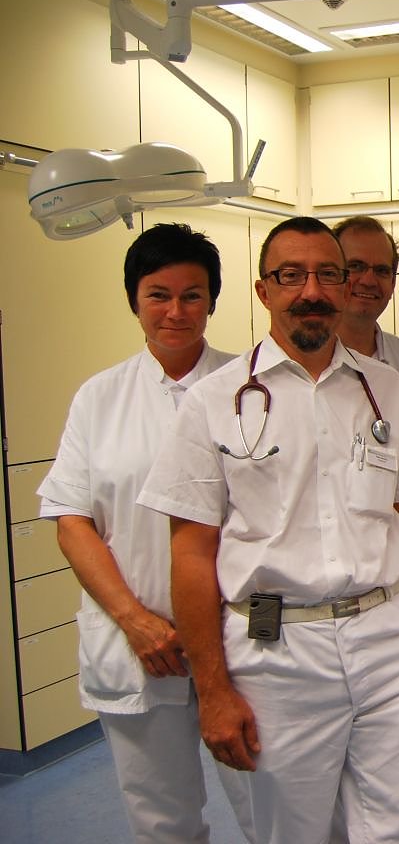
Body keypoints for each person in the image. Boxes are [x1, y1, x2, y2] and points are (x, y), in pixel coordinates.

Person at [136, 216, 399, 843]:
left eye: (328, 274)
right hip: (276, 652)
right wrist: (213, 689)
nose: (312, 290)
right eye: (291, 276)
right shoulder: (216, 400)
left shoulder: (383, 388)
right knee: (294, 832)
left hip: (387, 639)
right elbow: (191, 551)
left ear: (345, 286)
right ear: (263, 290)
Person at [36, 223, 239, 843]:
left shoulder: (248, 387)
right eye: (158, 295)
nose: (176, 311)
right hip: (141, 643)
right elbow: (72, 518)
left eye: (192, 295)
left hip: (240, 636)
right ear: (134, 300)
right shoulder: (99, 397)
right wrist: (134, 619)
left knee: (275, 810)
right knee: (161, 821)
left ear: (212, 301)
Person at [334, 215, 399, 416]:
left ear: (393, 283)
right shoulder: (310, 358)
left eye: (382, 270)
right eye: (356, 266)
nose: (368, 281)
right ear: (332, 275)